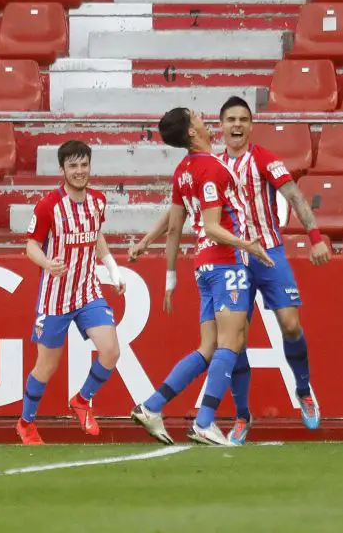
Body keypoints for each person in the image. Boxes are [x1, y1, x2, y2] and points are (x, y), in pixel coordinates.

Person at [131, 96, 330, 445]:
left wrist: (315, 237)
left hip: (264, 251)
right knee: (233, 341)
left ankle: (303, 389)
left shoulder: (260, 159)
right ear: (219, 127)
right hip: (231, 256)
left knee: (288, 325)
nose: (236, 125)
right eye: (229, 119)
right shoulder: (210, 165)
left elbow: (295, 196)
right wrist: (151, 240)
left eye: (243, 119)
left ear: (251, 125)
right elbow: (186, 215)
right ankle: (237, 416)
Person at [130, 107, 273, 447]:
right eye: (195, 117)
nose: (202, 119)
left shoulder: (184, 171)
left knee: (209, 347)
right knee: (232, 343)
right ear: (192, 132)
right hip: (226, 262)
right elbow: (211, 226)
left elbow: (175, 224)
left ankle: (152, 406)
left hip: (203, 266)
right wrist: (248, 246)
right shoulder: (212, 168)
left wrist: (163, 266)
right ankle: (205, 422)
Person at [17, 140, 126, 446]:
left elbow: (97, 237)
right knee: (47, 366)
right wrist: (47, 264)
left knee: (111, 350)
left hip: (88, 290)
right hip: (55, 297)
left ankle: (82, 400)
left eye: (84, 165)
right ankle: (26, 423)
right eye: (73, 166)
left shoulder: (98, 201)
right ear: (62, 169)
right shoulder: (48, 205)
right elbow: (31, 246)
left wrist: (113, 271)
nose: (80, 171)